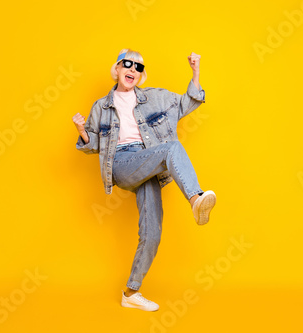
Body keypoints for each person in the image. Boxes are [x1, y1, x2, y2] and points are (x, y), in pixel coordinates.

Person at [72, 48, 216, 312]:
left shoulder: (155, 98)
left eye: (139, 67)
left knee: (152, 233)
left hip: (147, 161)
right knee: (172, 149)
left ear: (141, 76)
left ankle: (131, 292)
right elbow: (92, 145)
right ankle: (195, 199)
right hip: (122, 164)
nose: (133, 70)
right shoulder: (101, 107)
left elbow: (187, 103)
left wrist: (195, 72)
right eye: (127, 65)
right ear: (116, 69)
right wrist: (81, 130)